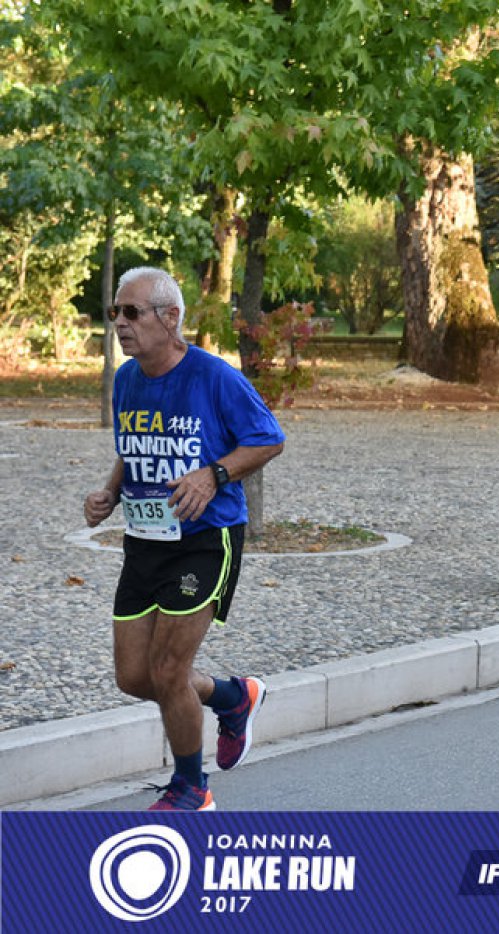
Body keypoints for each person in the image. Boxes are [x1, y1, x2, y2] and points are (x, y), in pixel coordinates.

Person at [83, 267, 284, 811]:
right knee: (135, 676)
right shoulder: (128, 380)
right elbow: (132, 446)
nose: (120, 324)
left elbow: (268, 439)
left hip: (205, 538)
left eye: (132, 312)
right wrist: (108, 494)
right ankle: (232, 697)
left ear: (170, 317)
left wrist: (213, 475)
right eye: (115, 313)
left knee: (169, 670)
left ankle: (192, 788)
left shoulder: (214, 377)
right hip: (145, 539)